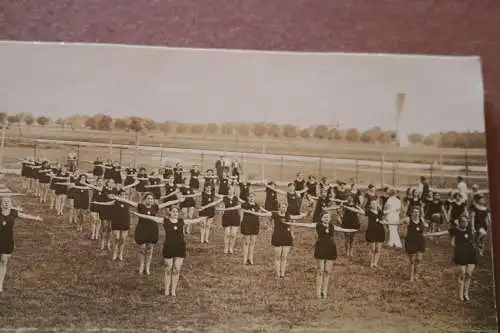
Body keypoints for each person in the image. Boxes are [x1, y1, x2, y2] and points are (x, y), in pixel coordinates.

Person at [132, 207, 207, 297]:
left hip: (180, 247)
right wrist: (137, 214)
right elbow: (150, 217)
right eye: (173, 211)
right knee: (168, 269)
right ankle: (167, 290)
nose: (175, 213)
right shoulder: (165, 221)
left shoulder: (181, 221)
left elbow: (194, 221)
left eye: (177, 212)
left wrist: (204, 217)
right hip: (168, 247)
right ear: (170, 212)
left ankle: (173, 290)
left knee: (176, 269)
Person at [284, 211, 357, 298]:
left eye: (328, 217)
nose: (326, 218)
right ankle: (318, 292)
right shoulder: (318, 225)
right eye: (325, 217)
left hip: (331, 249)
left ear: (330, 218)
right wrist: (290, 223)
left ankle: (324, 291)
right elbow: (305, 225)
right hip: (321, 248)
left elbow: (343, 229)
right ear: (321, 218)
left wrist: (353, 230)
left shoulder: (332, 226)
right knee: (320, 271)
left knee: (327, 272)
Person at [112, 192, 184, 275]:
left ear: (153, 200)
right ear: (145, 199)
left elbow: (167, 203)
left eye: (151, 199)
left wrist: (178, 200)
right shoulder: (140, 206)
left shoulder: (155, 207)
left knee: (150, 249)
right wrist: (118, 198)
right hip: (142, 229)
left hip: (152, 230)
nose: (150, 200)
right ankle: (141, 266)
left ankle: (147, 268)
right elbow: (128, 201)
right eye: (148, 198)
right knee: (142, 249)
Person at [0, 196, 43, 293]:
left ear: (11, 204)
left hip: (7, 241)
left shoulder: (13, 213)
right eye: (4, 202)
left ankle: (0, 283)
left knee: (3, 261)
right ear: (1, 204)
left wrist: (36, 218)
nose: (6, 203)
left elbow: (24, 216)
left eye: (8, 202)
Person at [270, 202, 306, 277]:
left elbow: (299, 217)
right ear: (279, 207)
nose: (284, 208)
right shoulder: (275, 214)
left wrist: (308, 212)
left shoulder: (288, 216)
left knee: (284, 257)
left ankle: (282, 274)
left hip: (287, 237)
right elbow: (263, 214)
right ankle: (277, 274)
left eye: (285, 207)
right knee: (277, 257)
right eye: (282, 207)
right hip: (277, 237)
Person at [240, 192, 272, 265]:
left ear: (255, 198)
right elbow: (241, 215)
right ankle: (245, 258)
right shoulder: (244, 205)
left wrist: (270, 213)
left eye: (253, 197)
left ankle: (250, 258)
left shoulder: (257, 205)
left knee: (252, 242)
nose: (252, 198)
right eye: (250, 197)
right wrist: (241, 224)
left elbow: (263, 211)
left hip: (254, 225)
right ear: (248, 198)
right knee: (246, 242)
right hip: (246, 225)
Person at [451, 214, 477, 301]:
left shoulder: (470, 230)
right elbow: (442, 233)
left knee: (469, 274)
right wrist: (429, 234)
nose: (464, 223)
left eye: (466, 221)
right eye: (462, 221)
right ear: (459, 222)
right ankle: (460, 294)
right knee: (462, 274)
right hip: (461, 253)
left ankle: (466, 293)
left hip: (471, 253)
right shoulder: (455, 230)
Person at [402, 206, 428, 282]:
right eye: (415, 212)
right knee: (412, 261)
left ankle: (416, 275)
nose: (416, 213)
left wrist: (426, 226)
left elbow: (425, 226)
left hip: (420, 241)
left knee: (419, 260)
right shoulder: (408, 219)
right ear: (412, 212)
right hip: (411, 241)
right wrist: (386, 222)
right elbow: (398, 222)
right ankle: (411, 277)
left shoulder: (421, 219)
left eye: (418, 212)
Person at [365, 199, 385, 268]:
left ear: (377, 204)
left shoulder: (380, 212)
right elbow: (360, 211)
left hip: (380, 231)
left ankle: (375, 263)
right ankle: (371, 262)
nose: (373, 204)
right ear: (370, 205)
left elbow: (383, 220)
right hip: (372, 231)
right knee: (372, 249)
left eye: (375, 203)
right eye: (372, 203)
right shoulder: (368, 212)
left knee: (378, 249)